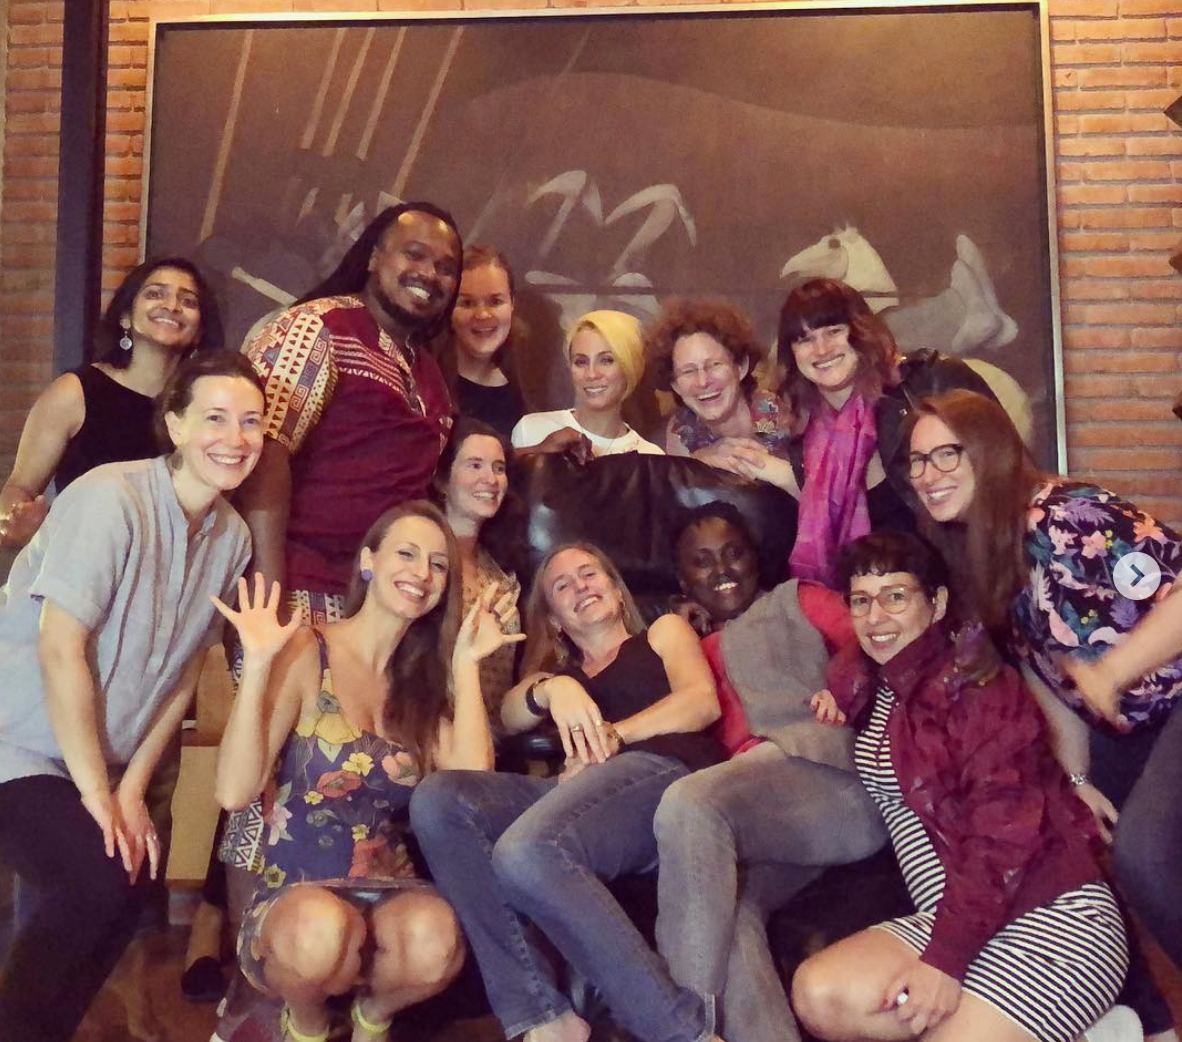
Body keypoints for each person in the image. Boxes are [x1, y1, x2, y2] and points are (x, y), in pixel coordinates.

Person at [0, 350, 263, 1042]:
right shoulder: (110, 497)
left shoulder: (231, 537)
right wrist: (97, 793)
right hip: (16, 739)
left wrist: (131, 786)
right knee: (93, 874)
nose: (233, 438)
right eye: (214, 418)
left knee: (131, 881)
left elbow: (181, 673)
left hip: (96, 762)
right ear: (174, 425)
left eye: (250, 422)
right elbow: (61, 647)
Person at [908, 389, 1182, 1035]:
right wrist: (1078, 780)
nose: (929, 474)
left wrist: (1112, 671)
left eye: (947, 453)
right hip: (1125, 727)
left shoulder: (1069, 516)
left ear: (990, 450)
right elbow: (1043, 670)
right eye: (918, 462)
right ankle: (1149, 1023)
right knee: (1073, 836)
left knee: (1144, 854)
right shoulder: (985, 548)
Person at [792, 531, 1128, 1042]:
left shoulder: (976, 687)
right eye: (861, 601)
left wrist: (946, 962)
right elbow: (856, 662)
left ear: (938, 602)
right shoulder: (879, 679)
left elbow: (1003, 835)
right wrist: (839, 690)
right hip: (953, 913)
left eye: (896, 596)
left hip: (1049, 912)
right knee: (820, 992)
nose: (875, 616)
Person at [217, 202, 463, 895]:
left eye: (446, 267)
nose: (430, 274)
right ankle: (258, 970)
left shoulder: (428, 372)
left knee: (348, 780)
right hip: (294, 586)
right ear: (374, 256)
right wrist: (270, 593)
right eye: (413, 255)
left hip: (375, 606)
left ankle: (339, 963)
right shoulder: (316, 328)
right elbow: (264, 456)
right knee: (264, 785)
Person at [211, 501, 523, 1042]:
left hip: (388, 889)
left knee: (437, 941)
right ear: (367, 563)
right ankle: (305, 1027)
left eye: (438, 564)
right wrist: (258, 666)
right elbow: (235, 790)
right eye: (406, 554)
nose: (421, 573)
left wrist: (466, 666)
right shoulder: (311, 648)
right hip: (295, 899)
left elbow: (470, 786)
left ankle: (369, 1022)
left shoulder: (423, 685)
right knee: (323, 932)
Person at [410, 543, 724, 1042]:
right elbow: (512, 714)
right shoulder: (560, 675)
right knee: (439, 799)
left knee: (527, 849)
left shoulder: (662, 632)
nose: (581, 587)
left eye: (589, 574)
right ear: (554, 621)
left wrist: (614, 736)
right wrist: (553, 689)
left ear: (617, 592)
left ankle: (683, 1032)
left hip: (666, 778)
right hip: (578, 796)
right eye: (563, 585)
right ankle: (541, 1016)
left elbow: (701, 702)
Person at [654, 503, 887, 1042]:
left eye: (734, 553)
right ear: (682, 578)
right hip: (762, 824)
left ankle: (681, 1030)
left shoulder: (798, 600)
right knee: (722, 914)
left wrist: (844, 684)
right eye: (702, 562)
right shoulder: (685, 653)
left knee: (690, 803)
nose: (723, 570)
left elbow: (870, 635)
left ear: (757, 558)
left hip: (831, 779)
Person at [0, 257, 223, 548]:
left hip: (168, 575)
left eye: (188, 301)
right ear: (125, 316)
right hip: (80, 567)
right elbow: (20, 487)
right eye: (155, 294)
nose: (172, 306)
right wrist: (18, 523)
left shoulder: (205, 407)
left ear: (200, 332)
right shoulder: (75, 391)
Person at [433, 417, 522, 718]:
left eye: (499, 468)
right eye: (474, 465)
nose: (491, 479)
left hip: (495, 737)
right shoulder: (422, 561)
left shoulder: (502, 574)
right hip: (431, 731)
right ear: (442, 480)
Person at [646, 298, 793, 468]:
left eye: (715, 365)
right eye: (688, 371)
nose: (703, 381)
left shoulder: (781, 415)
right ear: (675, 385)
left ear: (741, 367)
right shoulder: (681, 432)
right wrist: (698, 462)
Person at [511, 310, 664, 458]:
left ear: (630, 366)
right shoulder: (532, 430)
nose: (591, 374)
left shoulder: (650, 457)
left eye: (606, 361)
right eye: (581, 362)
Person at [435, 245, 527, 438]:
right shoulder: (426, 381)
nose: (483, 314)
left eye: (495, 302)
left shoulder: (527, 387)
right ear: (448, 310)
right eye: (467, 303)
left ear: (512, 304)